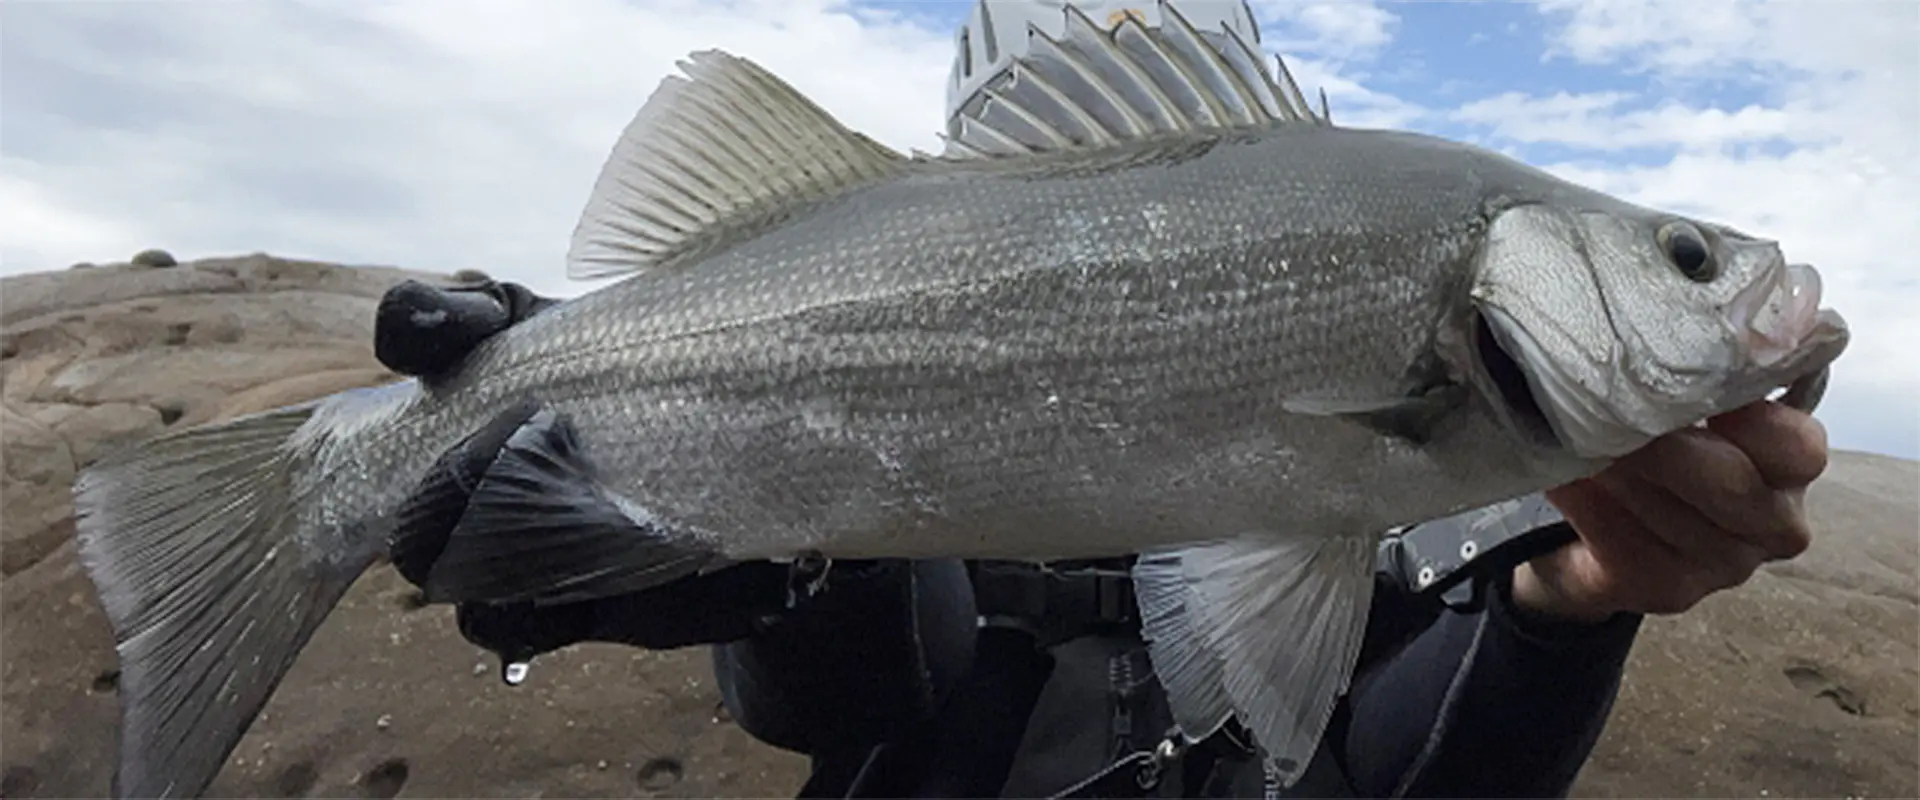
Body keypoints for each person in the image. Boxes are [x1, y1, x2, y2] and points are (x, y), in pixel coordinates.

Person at [374, 2, 1830, 796]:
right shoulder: (1433, 368)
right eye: (1685, 259)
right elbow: (857, 707)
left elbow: (1369, 767)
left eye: (1683, 256)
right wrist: (774, 576)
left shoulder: (1463, 480)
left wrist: (1564, 605)